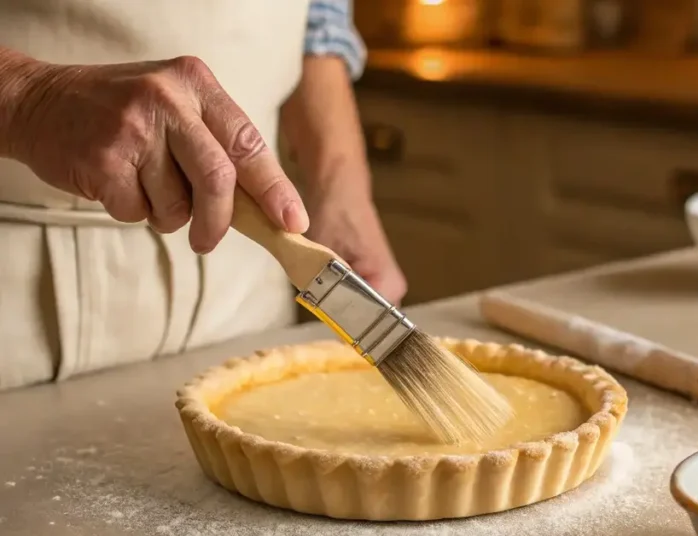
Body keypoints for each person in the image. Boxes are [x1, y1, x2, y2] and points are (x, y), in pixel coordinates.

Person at [0, 0, 406, 392]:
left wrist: (340, 190)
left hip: (245, 296)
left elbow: (318, 21)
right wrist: (31, 99)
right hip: (19, 316)